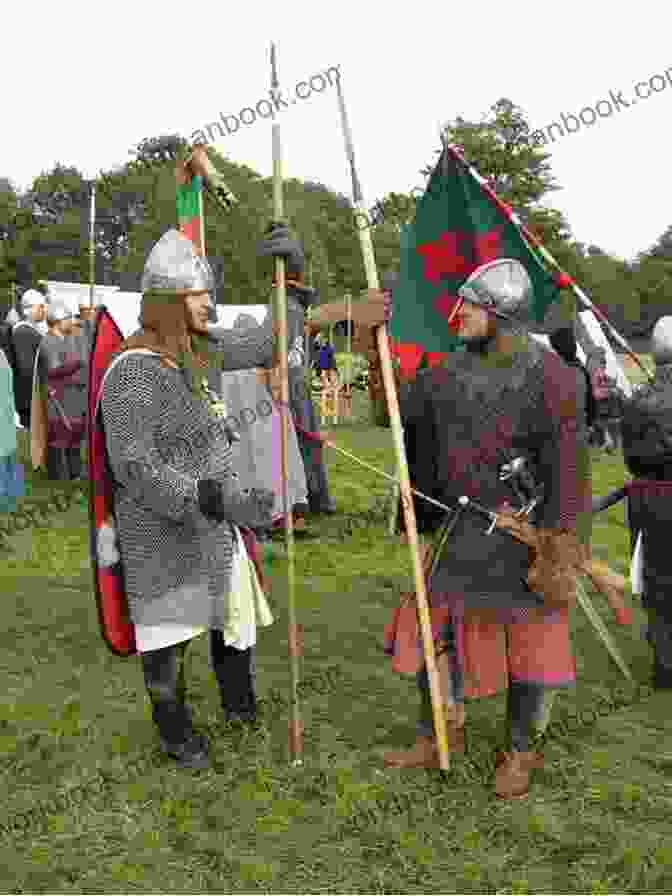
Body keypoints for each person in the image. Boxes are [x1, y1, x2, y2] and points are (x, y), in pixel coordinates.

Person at [383, 258, 588, 800]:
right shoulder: (445, 375)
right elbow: (398, 412)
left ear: (499, 312)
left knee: (532, 648)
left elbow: (569, 471)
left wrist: (560, 543)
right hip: (461, 528)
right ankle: (436, 736)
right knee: (436, 634)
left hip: (523, 534)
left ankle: (520, 751)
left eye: (471, 305)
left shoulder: (554, 378)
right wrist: (370, 337)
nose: (459, 314)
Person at [98, 228, 287, 770]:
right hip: (161, 530)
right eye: (198, 296)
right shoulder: (132, 372)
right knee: (168, 637)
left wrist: (292, 287)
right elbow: (135, 469)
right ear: (166, 305)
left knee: (233, 615)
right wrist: (211, 496)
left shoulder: (192, 356)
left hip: (211, 523)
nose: (211, 304)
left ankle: (240, 706)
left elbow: (268, 342)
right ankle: (174, 731)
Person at [258, 223, 336, 516]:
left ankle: (314, 496)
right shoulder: (282, 307)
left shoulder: (291, 308)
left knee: (306, 443)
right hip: (287, 380)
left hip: (295, 381)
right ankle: (304, 498)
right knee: (294, 444)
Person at [213, 311, 309, 536]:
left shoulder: (229, 361)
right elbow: (274, 387)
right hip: (263, 420)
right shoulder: (251, 358)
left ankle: (258, 515)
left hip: (242, 422)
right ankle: (271, 514)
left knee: (249, 466)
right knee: (270, 467)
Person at [620, 316, 672, 690]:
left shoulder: (639, 399)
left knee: (658, 582)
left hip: (651, 498)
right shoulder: (640, 398)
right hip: (654, 495)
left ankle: (666, 665)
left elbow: (632, 459)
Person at [33, 300, 86, 480]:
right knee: (58, 439)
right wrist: (78, 364)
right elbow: (54, 370)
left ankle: (75, 474)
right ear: (57, 320)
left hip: (72, 397)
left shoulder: (69, 339)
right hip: (57, 398)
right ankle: (57, 477)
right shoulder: (48, 341)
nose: (71, 321)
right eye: (68, 318)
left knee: (73, 438)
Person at [11, 290, 47, 429]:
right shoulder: (23, 332)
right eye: (40, 306)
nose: (44, 310)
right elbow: (27, 369)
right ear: (27, 310)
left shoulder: (31, 331)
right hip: (30, 400)